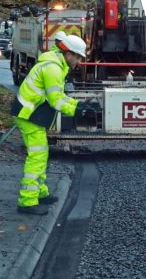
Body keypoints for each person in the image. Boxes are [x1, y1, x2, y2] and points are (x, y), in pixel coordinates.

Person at [10, 33, 94, 215]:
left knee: (41, 153)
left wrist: (79, 105)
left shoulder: (56, 64)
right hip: (28, 114)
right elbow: (56, 101)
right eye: (78, 57)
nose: (79, 61)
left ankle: (39, 193)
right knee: (37, 156)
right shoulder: (54, 68)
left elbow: (60, 97)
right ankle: (27, 201)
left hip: (29, 112)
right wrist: (77, 111)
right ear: (69, 53)